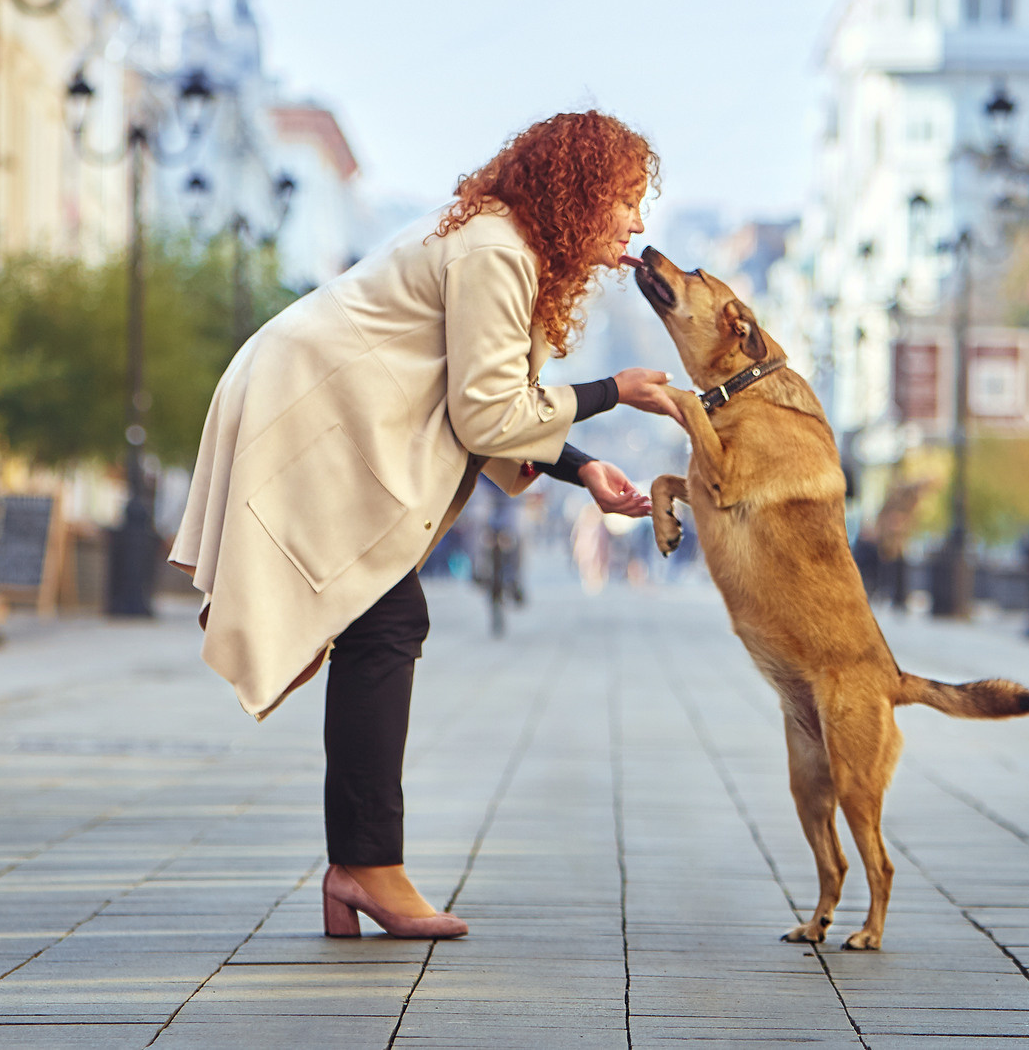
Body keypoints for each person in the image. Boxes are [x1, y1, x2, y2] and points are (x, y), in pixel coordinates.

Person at [171, 111, 680, 939]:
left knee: (387, 620)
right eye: (625, 199)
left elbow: (496, 398)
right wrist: (611, 391)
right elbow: (487, 413)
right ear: (580, 194)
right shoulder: (496, 249)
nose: (637, 221)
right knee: (389, 619)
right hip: (310, 411)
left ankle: (360, 865)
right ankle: (365, 866)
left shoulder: (506, 247)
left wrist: (582, 464)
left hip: (323, 407)